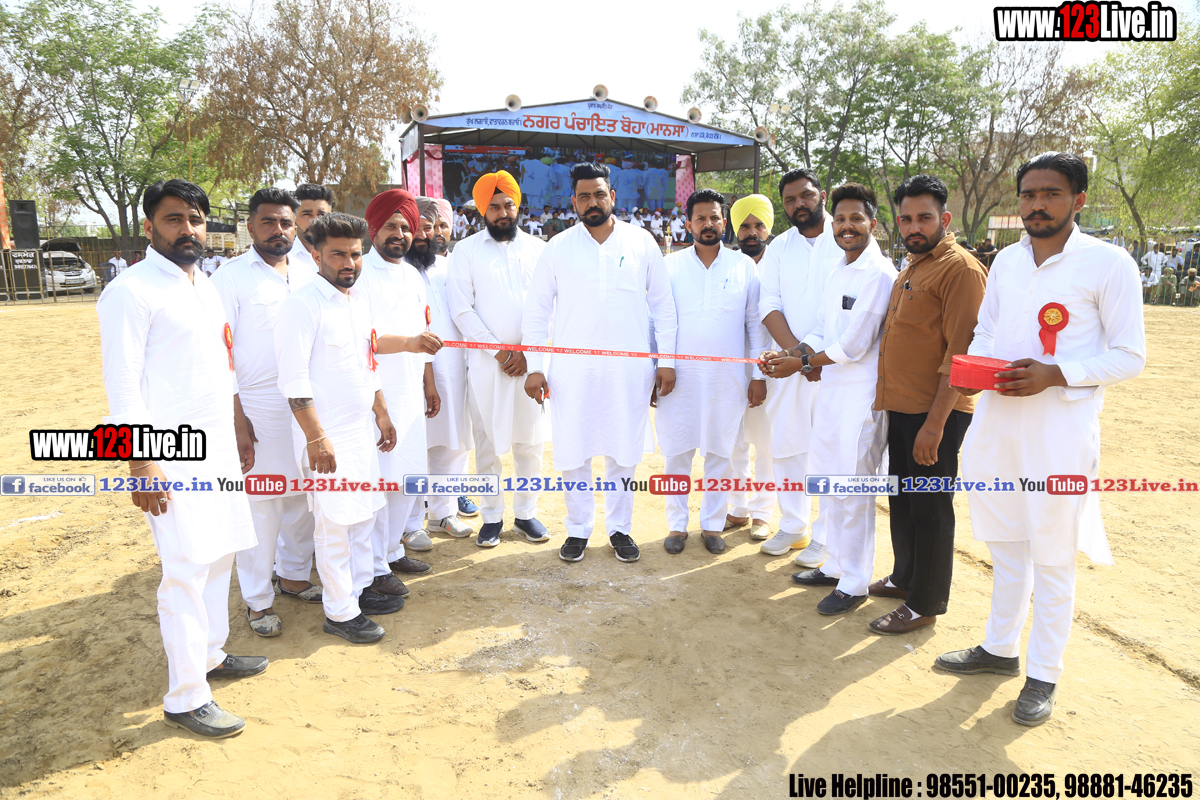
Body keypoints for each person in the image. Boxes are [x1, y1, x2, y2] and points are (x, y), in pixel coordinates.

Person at [936, 152, 1146, 727]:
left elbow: (1130, 356)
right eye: (1028, 194)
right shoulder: (1006, 260)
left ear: (1078, 200)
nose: (1037, 204)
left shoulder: (1108, 263)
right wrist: (978, 368)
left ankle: (1044, 673)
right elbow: (987, 330)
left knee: (1053, 554)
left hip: (1060, 432)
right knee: (1006, 543)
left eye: (1051, 193)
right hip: (998, 422)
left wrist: (1057, 374)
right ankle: (999, 648)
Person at [97, 178, 264, 739]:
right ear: (149, 227)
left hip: (216, 451)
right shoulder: (131, 291)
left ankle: (211, 655)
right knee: (186, 569)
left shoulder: (204, 284)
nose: (188, 229)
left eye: (195, 219)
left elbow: (223, 365)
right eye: (174, 219)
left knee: (219, 555)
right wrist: (139, 462)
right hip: (170, 457)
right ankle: (186, 696)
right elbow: (121, 387)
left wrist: (238, 425)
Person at [522, 162, 678, 563]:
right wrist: (535, 365)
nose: (593, 202)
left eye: (599, 194)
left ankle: (620, 529)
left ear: (613, 196)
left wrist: (667, 360)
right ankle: (578, 530)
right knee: (573, 450)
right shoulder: (558, 247)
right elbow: (537, 311)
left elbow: (663, 306)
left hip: (629, 369)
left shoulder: (641, 242)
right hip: (572, 371)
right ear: (573, 201)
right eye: (584, 196)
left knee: (622, 450)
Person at [275, 212, 414, 644]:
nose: (349, 263)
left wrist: (381, 412)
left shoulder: (357, 302)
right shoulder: (302, 305)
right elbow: (293, 381)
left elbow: (367, 365)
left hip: (360, 433)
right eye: (338, 254)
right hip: (327, 438)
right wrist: (316, 437)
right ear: (316, 255)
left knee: (363, 517)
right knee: (334, 525)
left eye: (355, 254)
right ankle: (339, 612)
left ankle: (357, 593)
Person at [767, 184, 897, 615]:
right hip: (832, 393)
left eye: (856, 218)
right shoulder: (839, 270)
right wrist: (792, 353)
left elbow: (854, 346)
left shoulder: (879, 275)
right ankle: (835, 565)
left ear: (872, 223)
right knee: (829, 482)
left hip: (861, 400)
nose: (846, 226)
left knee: (854, 491)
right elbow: (823, 330)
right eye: (840, 219)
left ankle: (855, 582)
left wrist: (801, 363)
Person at [867, 174, 987, 635]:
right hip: (903, 407)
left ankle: (925, 603)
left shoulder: (961, 270)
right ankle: (905, 578)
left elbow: (961, 354)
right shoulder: (913, 266)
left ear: (945, 219)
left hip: (936, 413)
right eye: (906, 219)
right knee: (903, 499)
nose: (914, 226)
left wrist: (934, 425)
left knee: (931, 507)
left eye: (925, 218)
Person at [211, 187, 321, 638]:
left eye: (286, 222)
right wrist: (237, 418)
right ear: (251, 227)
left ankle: (293, 576)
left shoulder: (311, 271)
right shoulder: (230, 278)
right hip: (256, 405)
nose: (279, 230)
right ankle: (258, 601)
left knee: (302, 497)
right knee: (262, 505)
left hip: (307, 403)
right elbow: (220, 354)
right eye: (268, 222)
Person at [657, 189, 765, 554]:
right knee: (677, 451)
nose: (708, 224)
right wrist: (663, 365)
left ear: (724, 222)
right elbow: (660, 321)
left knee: (721, 453)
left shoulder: (743, 267)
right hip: (679, 378)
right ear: (688, 224)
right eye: (700, 218)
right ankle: (676, 525)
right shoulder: (670, 266)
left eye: (714, 217)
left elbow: (755, 326)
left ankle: (713, 525)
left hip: (727, 379)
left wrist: (758, 376)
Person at [448, 172, 551, 547]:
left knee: (530, 442)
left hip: (531, 365)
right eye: (493, 206)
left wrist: (528, 353)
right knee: (487, 444)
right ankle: (491, 517)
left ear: (517, 205)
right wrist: (501, 351)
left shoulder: (540, 249)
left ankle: (526, 514)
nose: (502, 212)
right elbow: (462, 310)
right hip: (486, 366)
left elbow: (552, 306)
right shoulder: (466, 251)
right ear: (482, 210)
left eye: (508, 204)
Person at [756, 168, 841, 564]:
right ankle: (793, 525)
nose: (798, 204)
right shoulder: (779, 247)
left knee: (830, 451)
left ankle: (826, 534)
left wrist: (811, 356)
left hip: (836, 364)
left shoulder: (845, 237)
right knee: (787, 444)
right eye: (789, 200)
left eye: (805, 195)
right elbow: (768, 304)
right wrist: (796, 356)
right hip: (789, 365)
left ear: (821, 194)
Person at [359, 189, 439, 585]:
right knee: (382, 482)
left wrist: (428, 383)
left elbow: (422, 335)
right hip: (378, 396)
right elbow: (364, 340)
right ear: (373, 228)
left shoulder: (412, 275)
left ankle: (393, 551)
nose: (400, 234)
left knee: (408, 476)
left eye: (406, 227)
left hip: (409, 392)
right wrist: (410, 343)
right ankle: (375, 567)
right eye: (391, 225)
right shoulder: (361, 275)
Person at [407, 198, 475, 541]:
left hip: (453, 371)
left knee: (452, 443)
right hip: (409, 373)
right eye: (417, 226)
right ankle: (409, 523)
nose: (424, 234)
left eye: (431, 227)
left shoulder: (450, 268)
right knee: (412, 447)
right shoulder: (396, 270)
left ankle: (442, 514)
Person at [725, 194, 777, 539]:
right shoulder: (727, 264)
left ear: (768, 228)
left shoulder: (779, 264)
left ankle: (763, 512)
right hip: (730, 364)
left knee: (767, 441)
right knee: (734, 439)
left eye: (758, 225)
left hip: (773, 365)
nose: (752, 232)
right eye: (744, 226)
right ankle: (738, 507)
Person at [291, 183, 334, 272]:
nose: (315, 220)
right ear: (293, 218)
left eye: (321, 215)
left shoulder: (343, 257)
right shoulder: (282, 258)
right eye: (307, 214)